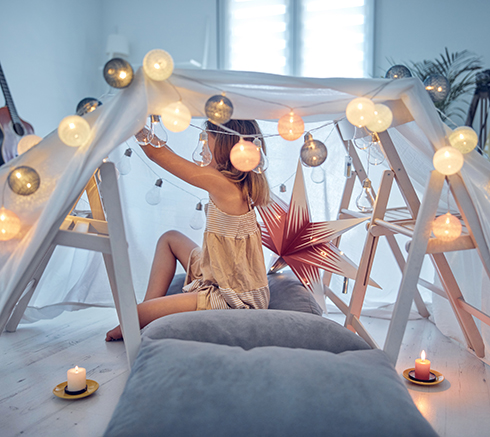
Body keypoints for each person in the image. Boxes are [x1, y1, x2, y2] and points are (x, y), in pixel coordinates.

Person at [105, 119, 271, 341]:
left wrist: (137, 126)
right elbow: (169, 153)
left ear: (224, 149)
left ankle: (141, 316)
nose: (200, 151)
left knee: (132, 315)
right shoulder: (235, 185)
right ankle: (149, 308)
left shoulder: (223, 186)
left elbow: (159, 155)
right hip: (221, 272)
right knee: (170, 239)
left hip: (234, 297)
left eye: (205, 143)